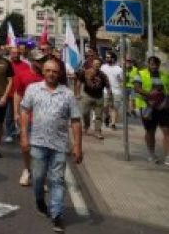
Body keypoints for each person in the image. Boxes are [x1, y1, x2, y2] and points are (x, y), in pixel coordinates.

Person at [20, 57, 83, 233]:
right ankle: (40, 199)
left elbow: (76, 121)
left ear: (60, 73)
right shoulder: (33, 89)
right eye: (48, 70)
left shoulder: (67, 94)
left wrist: (77, 145)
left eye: (55, 71)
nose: (51, 74)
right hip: (38, 143)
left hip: (59, 145)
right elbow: (25, 111)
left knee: (57, 181)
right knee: (38, 178)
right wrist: (24, 135)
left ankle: (57, 215)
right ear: (43, 72)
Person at [11, 49, 43, 187]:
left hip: (43, 118)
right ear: (31, 61)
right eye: (38, 60)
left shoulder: (47, 76)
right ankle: (27, 169)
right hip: (27, 116)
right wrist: (16, 113)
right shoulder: (22, 75)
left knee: (41, 148)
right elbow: (18, 94)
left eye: (43, 60)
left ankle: (41, 176)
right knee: (25, 146)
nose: (41, 63)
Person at [133, 56, 169, 163]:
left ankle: (168, 157)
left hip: (163, 107)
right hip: (147, 106)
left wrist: (165, 101)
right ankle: (151, 154)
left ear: (158, 65)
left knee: (167, 131)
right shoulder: (140, 73)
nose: (154, 66)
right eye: (152, 64)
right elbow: (137, 88)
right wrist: (151, 95)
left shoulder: (165, 75)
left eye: (156, 64)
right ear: (148, 64)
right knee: (150, 131)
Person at [74, 57, 110, 140]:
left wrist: (108, 95)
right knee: (84, 113)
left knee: (99, 115)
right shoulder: (85, 72)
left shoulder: (103, 75)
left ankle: (98, 131)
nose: (97, 65)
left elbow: (108, 86)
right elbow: (79, 83)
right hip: (87, 95)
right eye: (95, 63)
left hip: (99, 97)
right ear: (92, 64)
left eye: (98, 64)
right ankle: (86, 125)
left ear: (100, 65)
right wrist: (78, 94)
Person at [99, 52, 124, 130]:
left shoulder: (119, 69)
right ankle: (107, 116)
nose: (107, 59)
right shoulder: (103, 67)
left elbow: (122, 80)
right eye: (106, 57)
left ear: (113, 59)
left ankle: (113, 124)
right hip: (105, 91)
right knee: (105, 107)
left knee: (114, 108)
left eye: (109, 57)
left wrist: (120, 82)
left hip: (116, 91)